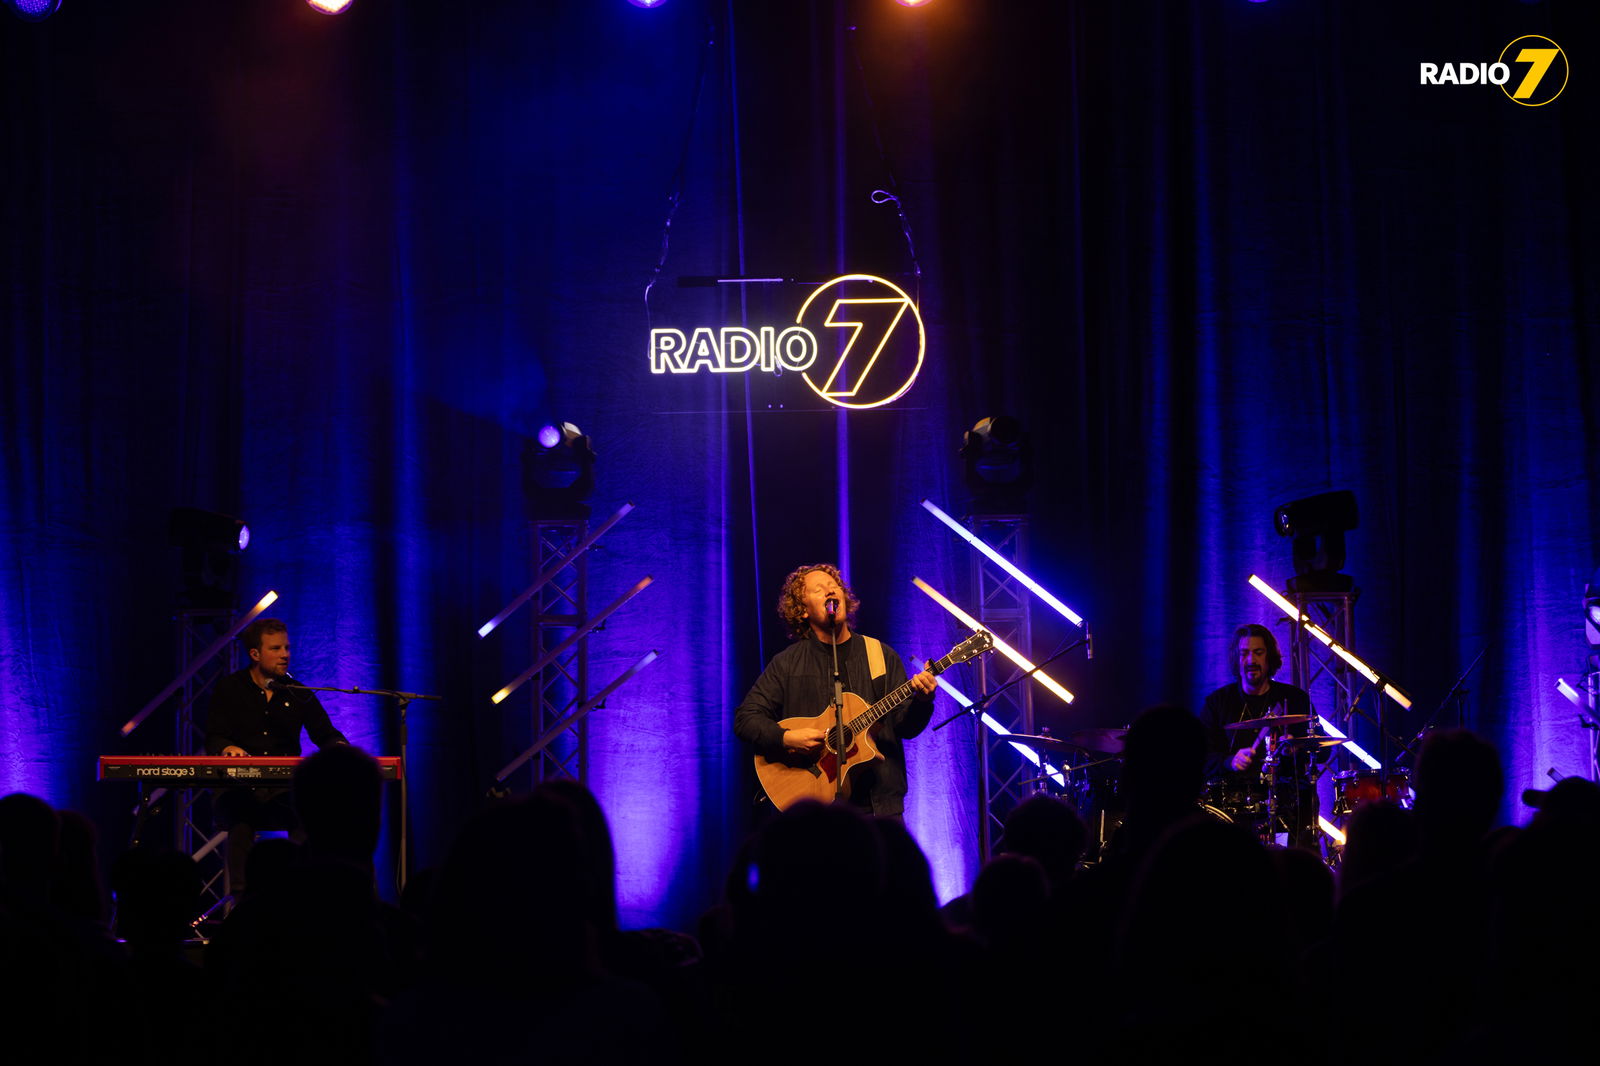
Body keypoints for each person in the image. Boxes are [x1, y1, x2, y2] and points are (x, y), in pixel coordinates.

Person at [734, 564, 936, 818]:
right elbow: (745, 719)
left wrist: (922, 700)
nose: (830, 591)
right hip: (814, 814)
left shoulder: (880, 655)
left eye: (834, 586)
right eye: (819, 590)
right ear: (802, 610)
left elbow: (906, 727)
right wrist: (787, 738)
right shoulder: (786, 663)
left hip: (879, 810)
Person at [204, 618, 348, 894]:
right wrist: (227, 748)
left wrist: (338, 747)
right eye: (276, 648)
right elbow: (215, 735)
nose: (285, 654)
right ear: (255, 654)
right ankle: (242, 901)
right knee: (241, 823)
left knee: (306, 820)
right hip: (241, 788)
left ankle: (298, 896)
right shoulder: (230, 689)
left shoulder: (297, 692)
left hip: (284, 790)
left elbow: (325, 733)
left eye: (287, 647)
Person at [1199, 623, 1319, 843]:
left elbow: (1320, 751)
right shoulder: (1217, 703)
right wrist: (1229, 761)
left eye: (1258, 652)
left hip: (1287, 805)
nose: (1251, 660)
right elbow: (1200, 757)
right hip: (1233, 809)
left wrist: (1297, 749)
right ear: (1237, 658)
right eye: (1244, 653)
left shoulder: (1296, 699)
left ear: (1269, 657)